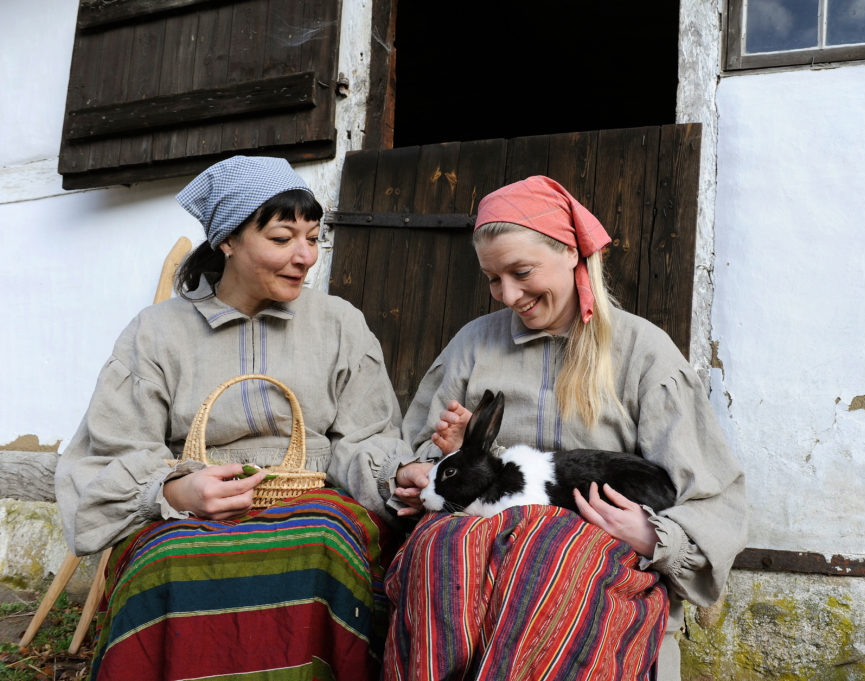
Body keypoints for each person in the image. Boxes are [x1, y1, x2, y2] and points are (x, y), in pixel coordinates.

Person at [55, 155, 417, 681]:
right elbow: (116, 450)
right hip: (190, 510)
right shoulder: (155, 333)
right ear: (226, 240)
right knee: (167, 561)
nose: (304, 256)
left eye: (312, 238)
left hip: (313, 501)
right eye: (281, 239)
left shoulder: (340, 323)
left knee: (325, 542)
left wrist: (395, 472)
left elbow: (366, 437)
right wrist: (175, 492)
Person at [385, 176, 748, 681]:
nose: (508, 294)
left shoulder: (643, 353)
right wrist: (436, 460)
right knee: (440, 554)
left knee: (548, 563)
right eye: (493, 278)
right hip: (474, 543)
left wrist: (653, 534)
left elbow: (713, 499)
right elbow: (414, 452)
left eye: (521, 271)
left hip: (590, 548)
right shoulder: (472, 344)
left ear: (573, 253)